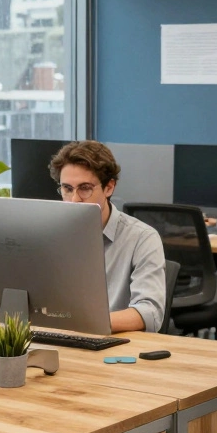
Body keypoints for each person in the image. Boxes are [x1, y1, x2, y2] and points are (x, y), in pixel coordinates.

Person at [49, 140, 167, 333]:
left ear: (109, 187)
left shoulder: (142, 238)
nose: (74, 199)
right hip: (61, 339)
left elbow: (149, 312)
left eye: (85, 188)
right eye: (67, 189)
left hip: (116, 345)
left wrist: (83, 323)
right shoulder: (50, 235)